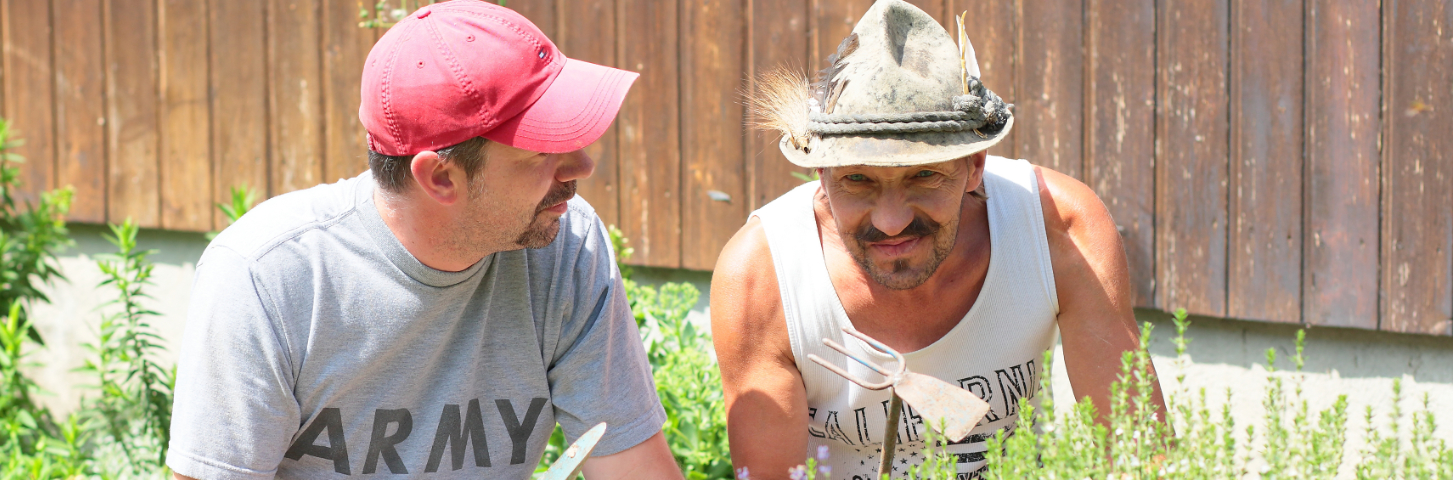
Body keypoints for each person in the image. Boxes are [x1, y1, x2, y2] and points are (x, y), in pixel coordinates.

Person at [165, 2, 684, 479]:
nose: (583, 166)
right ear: (440, 178)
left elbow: (633, 466)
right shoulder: (268, 277)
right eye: (541, 151)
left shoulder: (566, 244)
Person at [710, 0, 1168, 478]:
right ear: (820, 173)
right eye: (858, 181)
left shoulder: (1056, 228)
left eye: (924, 175)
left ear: (974, 166)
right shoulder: (765, 276)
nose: (890, 222)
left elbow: (1141, 453)